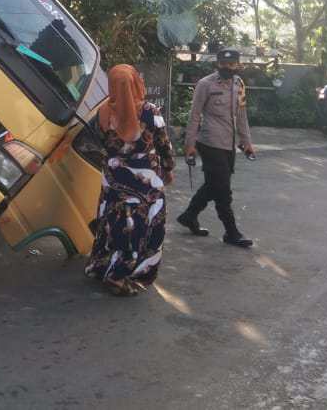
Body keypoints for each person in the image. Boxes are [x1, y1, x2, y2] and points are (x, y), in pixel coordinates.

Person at [84, 64, 176, 297]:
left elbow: (97, 144)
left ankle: (104, 266)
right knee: (144, 225)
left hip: (114, 178)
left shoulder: (103, 112)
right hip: (146, 181)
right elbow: (163, 143)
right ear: (136, 82)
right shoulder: (149, 111)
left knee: (112, 223)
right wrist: (168, 168)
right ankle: (123, 274)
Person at [176, 48, 256, 248]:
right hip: (209, 142)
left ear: (237, 65)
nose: (227, 67)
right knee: (223, 189)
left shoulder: (239, 84)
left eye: (232, 64)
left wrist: (246, 142)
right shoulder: (205, 84)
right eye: (223, 64)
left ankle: (189, 215)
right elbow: (194, 115)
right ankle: (231, 232)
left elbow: (242, 116)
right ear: (217, 64)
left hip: (228, 144)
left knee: (214, 184)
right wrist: (189, 145)